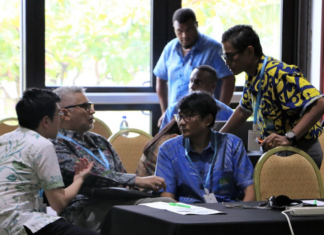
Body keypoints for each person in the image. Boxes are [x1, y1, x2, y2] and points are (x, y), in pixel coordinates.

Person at [51, 86, 174, 233]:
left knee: (168, 205)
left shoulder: (99, 141)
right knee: (157, 214)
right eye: (85, 107)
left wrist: (130, 185)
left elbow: (119, 173)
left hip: (119, 201)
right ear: (64, 113)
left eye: (90, 105)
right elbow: (90, 175)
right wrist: (136, 180)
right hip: (84, 208)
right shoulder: (54, 143)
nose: (92, 111)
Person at [220, 24, 324, 168]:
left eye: (230, 56)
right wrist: (218, 136)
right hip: (278, 151)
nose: (226, 62)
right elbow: (243, 110)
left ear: (249, 52)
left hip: (300, 150)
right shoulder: (253, 75)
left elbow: (320, 104)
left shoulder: (278, 73)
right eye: (225, 56)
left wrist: (290, 137)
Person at [0, 88, 98, 235]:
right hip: (17, 222)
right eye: (59, 114)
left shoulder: (4, 139)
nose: (60, 119)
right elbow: (58, 203)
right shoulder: (42, 145)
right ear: (46, 120)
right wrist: (79, 179)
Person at [155, 91, 254, 203]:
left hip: (227, 214)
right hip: (186, 214)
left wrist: (242, 217)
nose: (181, 122)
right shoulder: (169, 149)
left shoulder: (232, 144)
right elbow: (167, 197)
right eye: (180, 116)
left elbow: (250, 189)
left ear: (208, 120)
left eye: (188, 116)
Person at [154, 8, 235, 126]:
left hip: (204, 119)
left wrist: (220, 112)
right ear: (174, 28)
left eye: (189, 29)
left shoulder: (213, 48)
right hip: (175, 116)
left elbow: (229, 79)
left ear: (196, 25)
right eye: (179, 31)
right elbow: (160, 78)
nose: (184, 35)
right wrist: (164, 111)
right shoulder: (170, 48)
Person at [159, 65, 233, 130]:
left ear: (212, 87)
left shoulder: (227, 113)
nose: (192, 86)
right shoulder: (173, 110)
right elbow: (162, 140)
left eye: (198, 82)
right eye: (191, 81)